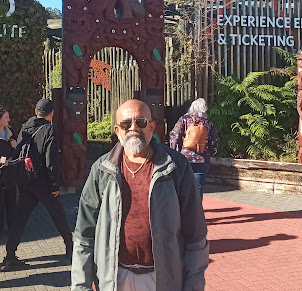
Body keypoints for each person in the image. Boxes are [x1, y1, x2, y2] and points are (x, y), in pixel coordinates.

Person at [71, 99, 209, 291]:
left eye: (141, 122)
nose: (133, 128)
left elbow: (196, 236)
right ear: (118, 130)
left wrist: (193, 285)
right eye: (126, 124)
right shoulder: (102, 170)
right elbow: (84, 237)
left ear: (152, 127)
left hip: (160, 279)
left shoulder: (175, 167)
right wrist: (80, 287)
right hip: (115, 277)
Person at [0, 99, 73, 271]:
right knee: (58, 214)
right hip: (43, 183)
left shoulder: (25, 127)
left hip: (26, 181)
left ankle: (10, 255)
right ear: (51, 113)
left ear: (35, 110)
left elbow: (17, 151)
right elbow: (51, 160)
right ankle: (70, 247)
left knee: (20, 218)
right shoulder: (49, 130)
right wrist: (54, 185)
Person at [169, 98, 219, 201]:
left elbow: (174, 136)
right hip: (202, 159)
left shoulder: (184, 119)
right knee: (198, 187)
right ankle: (196, 213)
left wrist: (175, 152)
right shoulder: (207, 123)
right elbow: (214, 141)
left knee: (182, 186)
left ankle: (183, 212)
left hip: (184, 159)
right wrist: (209, 153)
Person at [0, 106, 17, 236]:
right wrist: (2, 161)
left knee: (12, 201)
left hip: (10, 173)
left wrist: (15, 144)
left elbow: (17, 150)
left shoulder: (10, 132)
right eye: (6, 117)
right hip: (1, 173)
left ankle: (13, 228)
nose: (9, 120)